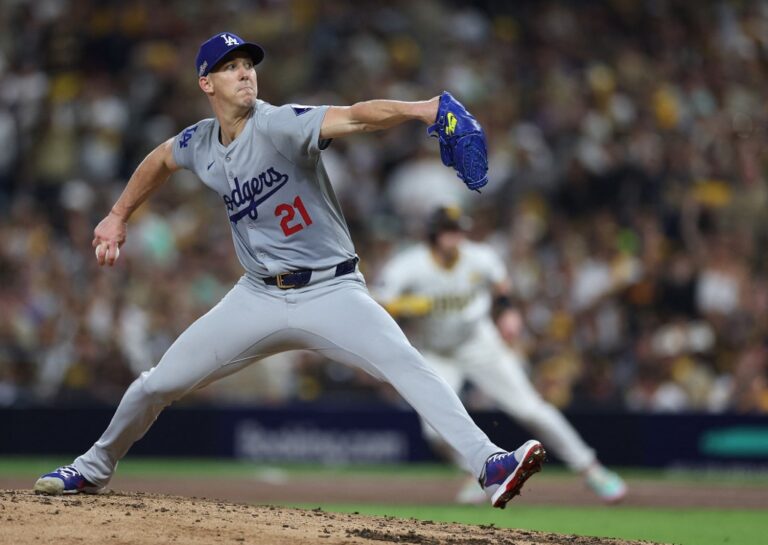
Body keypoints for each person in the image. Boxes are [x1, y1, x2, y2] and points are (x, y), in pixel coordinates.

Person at [33, 32, 545, 508]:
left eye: (248, 65)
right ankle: (94, 467)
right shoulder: (202, 142)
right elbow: (161, 159)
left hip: (332, 290)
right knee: (156, 384)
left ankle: (489, 463)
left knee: (405, 363)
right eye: (230, 67)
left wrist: (424, 109)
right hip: (256, 296)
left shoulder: (278, 123)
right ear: (206, 83)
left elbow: (356, 117)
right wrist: (118, 215)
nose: (245, 74)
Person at [374, 206, 627, 504]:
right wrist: (405, 305)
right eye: (448, 230)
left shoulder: (478, 256)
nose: (455, 236)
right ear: (433, 233)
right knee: (434, 431)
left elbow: (501, 285)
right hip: (437, 352)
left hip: (480, 344)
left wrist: (507, 312)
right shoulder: (411, 264)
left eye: (458, 229)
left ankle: (591, 469)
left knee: (530, 409)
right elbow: (377, 299)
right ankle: (478, 471)